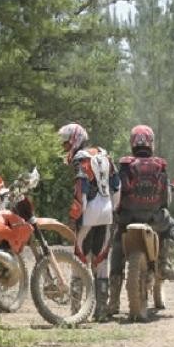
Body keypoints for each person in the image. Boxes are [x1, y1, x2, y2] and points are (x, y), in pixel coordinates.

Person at [107, 124, 174, 320]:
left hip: (127, 219)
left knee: (118, 246)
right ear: (150, 142)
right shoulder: (160, 165)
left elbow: (117, 193)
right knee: (170, 224)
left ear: (132, 142)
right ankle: (164, 263)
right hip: (153, 219)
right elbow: (165, 199)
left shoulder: (125, 165)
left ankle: (113, 300)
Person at [58, 123, 120, 321]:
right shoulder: (104, 155)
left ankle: (77, 311)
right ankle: (101, 312)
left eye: (66, 143)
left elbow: (81, 190)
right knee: (101, 261)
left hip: (88, 213)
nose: (65, 148)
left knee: (79, 259)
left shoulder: (81, 159)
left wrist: (74, 216)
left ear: (75, 139)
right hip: (107, 212)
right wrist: (114, 209)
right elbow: (116, 186)